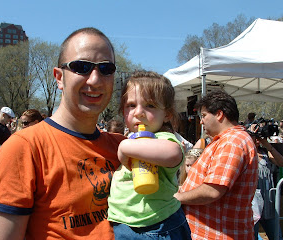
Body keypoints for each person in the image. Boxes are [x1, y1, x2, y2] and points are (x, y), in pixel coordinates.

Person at [0, 27, 125, 240]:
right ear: (59, 78)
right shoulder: (23, 148)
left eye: (106, 68)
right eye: (82, 67)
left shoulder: (124, 148)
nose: (95, 80)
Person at [107, 71, 191, 239]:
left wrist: (125, 147)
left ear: (167, 114)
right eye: (131, 105)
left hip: (157, 225)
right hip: (123, 224)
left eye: (150, 106)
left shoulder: (161, 137)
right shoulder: (130, 139)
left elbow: (173, 153)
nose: (138, 112)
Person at [174, 90, 258, 239]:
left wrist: (177, 197)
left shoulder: (233, 142)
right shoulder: (224, 140)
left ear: (219, 114)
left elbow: (212, 191)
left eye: (204, 116)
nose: (201, 121)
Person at [249, 124, 283, 240]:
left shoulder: (265, 153)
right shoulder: (246, 151)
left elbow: (280, 162)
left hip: (269, 204)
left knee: (276, 236)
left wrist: (267, 145)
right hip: (252, 206)